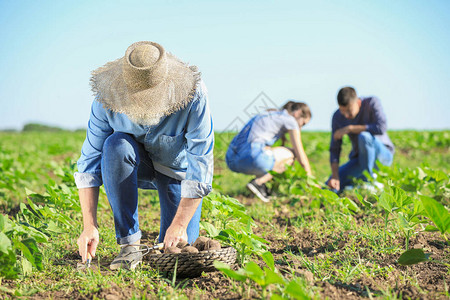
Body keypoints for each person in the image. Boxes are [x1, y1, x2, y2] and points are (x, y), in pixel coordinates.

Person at [74, 41, 214, 270]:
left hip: (175, 172)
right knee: (115, 145)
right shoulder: (106, 99)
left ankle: (174, 228)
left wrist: (179, 224)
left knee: (174, 254)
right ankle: (130, 246)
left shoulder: (193, 95)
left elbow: (201, 163)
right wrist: (89, 225)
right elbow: (89, 164)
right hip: (130, 165)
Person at [225, 101, 312, 202]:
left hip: (231, 159)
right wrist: (310, 180)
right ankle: (258, 183)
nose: (300, 127)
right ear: (297, 113)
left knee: (267, 151)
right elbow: (300, 155)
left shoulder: (268, 114)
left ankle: (261, 189)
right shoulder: (290, 120)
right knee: (291, 154)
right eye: (303, 123)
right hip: (251, 158)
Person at [327, 86, 394, 193]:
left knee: (364, 136)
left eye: (349, 111)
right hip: (360, 160)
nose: (346, 115)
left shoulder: (372, 103)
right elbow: (335, 149)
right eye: (342, 111)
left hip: (382, 156)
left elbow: (381, 127)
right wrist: (335, 175)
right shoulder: (337, 117)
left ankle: (369, 181)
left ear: (357, 102)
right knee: (331, 185)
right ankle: (359, 181)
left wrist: (351, 129)